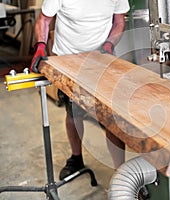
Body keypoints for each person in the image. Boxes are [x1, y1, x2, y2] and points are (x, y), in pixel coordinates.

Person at [30, 0, 130, 180]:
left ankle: (121, 173)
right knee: (74, 114)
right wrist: (40, 46)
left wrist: (109, 44)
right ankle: (76, 158)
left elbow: (119, 21)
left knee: (111, 119)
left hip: (101, 58)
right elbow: (44, 20)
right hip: (67, 60)